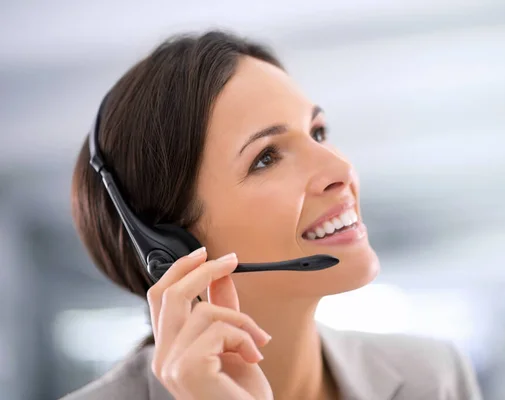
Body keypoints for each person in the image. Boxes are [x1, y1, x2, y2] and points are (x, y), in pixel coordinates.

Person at [65, 30, 482, 400]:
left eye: (318, 132)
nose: (342, 172)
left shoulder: (434, 377)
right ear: (171, 247)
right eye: (266, 158)